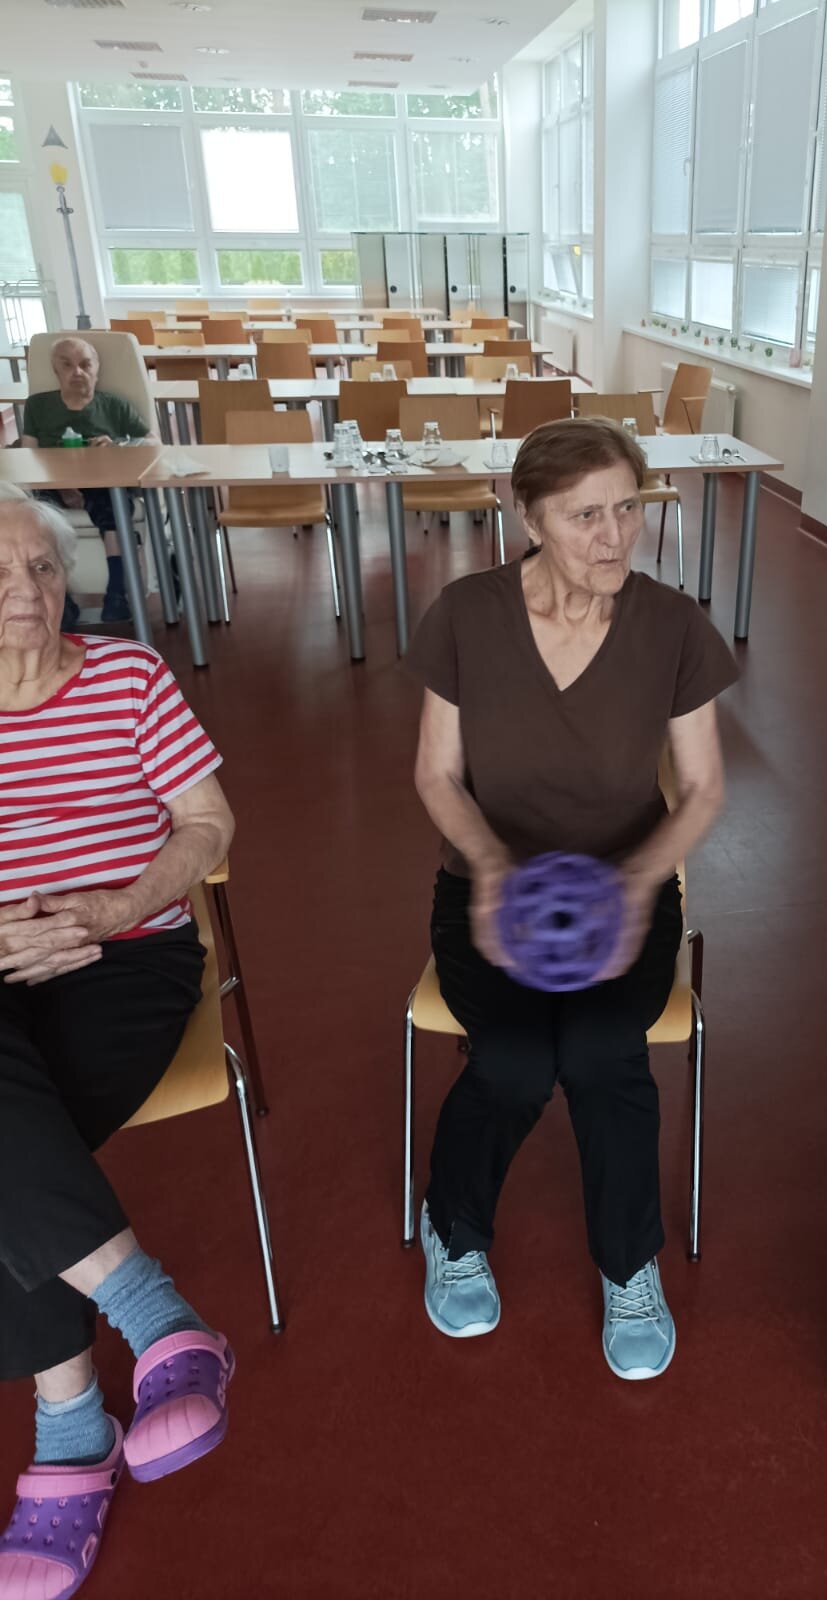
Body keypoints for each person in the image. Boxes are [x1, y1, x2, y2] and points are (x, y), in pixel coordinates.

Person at [405, 417, 736, 1380]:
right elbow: (435, 776)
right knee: (512, 1061)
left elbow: (703, 789)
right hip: (488, 888)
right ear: (528, 517)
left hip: (624, 892)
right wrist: (491, 866)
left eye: (628, 508)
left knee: (600, 1052)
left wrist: (634, 884)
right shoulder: (466, 616)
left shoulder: (673, 627)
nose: (614, 536)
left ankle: (630, 1267)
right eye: (584, 515)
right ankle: (453, 1227)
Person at [0, 485, 235, 1600]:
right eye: (0, 576)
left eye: (43, 569)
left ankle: (71, 1432)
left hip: (127, 957)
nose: (27, 593)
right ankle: (154, 1315)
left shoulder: (130, 676)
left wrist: (112, 906)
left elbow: (209, 823)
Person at [19, 336, 156, 625]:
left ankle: (117, 593)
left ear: (97, 368)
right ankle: (61, 600)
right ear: (56, 371)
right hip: (52, 485)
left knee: (112, 505)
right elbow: (28, 456)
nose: (77, 372)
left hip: (105, 483)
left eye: (85, 364)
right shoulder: (38, 406)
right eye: (67, 365)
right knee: (32, 515)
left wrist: (118, 445)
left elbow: (153, 444)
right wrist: (59, 486)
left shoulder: (115, 406)